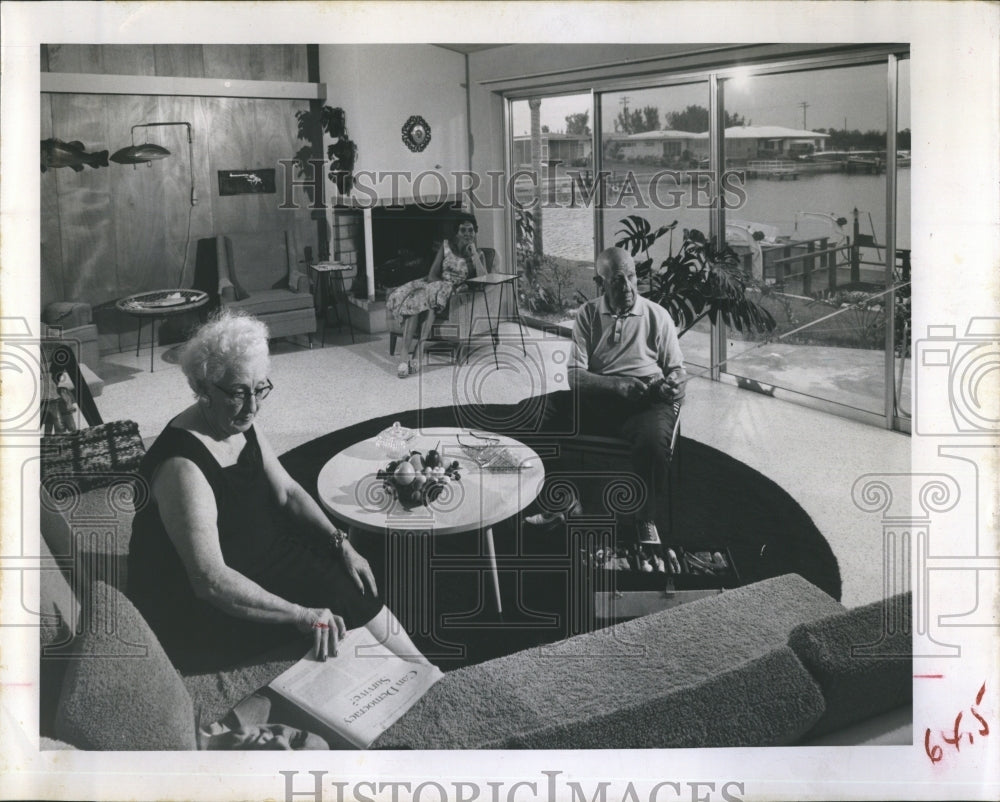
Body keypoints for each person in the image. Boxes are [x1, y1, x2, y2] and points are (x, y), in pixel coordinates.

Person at [126, 309, 430, 671]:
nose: (252, 406)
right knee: (329, 606)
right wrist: (301, 614)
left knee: (346, 580)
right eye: (239, 393)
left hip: (253, 554)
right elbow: (209, 581)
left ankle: (425, 672)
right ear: (204, 390)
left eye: (259, 390)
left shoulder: (236, 420)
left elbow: (287, 491)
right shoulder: (182, 467)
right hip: (200, 603)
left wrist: (342, 544)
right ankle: (411, 680)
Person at [563, 246, 687, 545]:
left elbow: (678, 372)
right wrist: (617, 385)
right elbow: (574, 376)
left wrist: (674, 385)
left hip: (647, 403)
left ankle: (645, 518)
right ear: (601, 283)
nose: (629, 286)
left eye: (632, 277)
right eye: (619, 280)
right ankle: (560, 503)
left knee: (653, 444)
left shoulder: (658, 316)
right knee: (534, 415)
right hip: (599, 398)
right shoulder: (588, 314)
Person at [386, 212, 486, 378]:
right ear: (456, 232)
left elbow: (484, 279)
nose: (468, 234)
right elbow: (432, 274)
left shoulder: (478, 255)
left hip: (451, 292)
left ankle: (415, 351)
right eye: (463, 230)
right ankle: (410, 353)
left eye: (471, 230)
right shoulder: (446, 246)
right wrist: (437, 287)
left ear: (475, 231)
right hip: (434, 286)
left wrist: (474, 253)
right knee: (419, 301)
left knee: (427, 300)